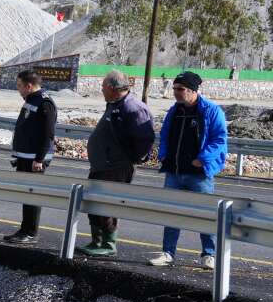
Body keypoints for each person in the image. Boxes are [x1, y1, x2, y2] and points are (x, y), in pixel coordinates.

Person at [147, 71, 228, 269]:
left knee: (205, 214)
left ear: (192, 91)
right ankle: (168, 252)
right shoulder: (175, 111)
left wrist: (203, 159)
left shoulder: (211, 110)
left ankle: (209, 255)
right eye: (174, 88)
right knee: (172, 213)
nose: (175, 92)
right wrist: (163, 154)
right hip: (174, 172)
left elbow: (220, 139)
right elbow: (165, 135)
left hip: (199, 175)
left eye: (180, 89)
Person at [76, 70, 155, 257]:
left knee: (107, 205)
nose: (101, 90)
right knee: (93, 203)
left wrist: (130, 158)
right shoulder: (114, 104)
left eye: (103, 86)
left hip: (116, 167)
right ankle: (96, 241)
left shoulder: (133, 107)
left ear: (111, 88)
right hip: (102, 166)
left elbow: (145, 139)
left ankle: (108, 244)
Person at [2, 69, 58, 244]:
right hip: (25, 156)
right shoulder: (31, 100)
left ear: (28, 85)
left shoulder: (44, 102)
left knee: (32, 195)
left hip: (35, 159)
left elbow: (48, 134)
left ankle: (31, 232)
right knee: (26, 195)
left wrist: (39, 159)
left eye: (19, 86)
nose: (18, 89)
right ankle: (24, 229)